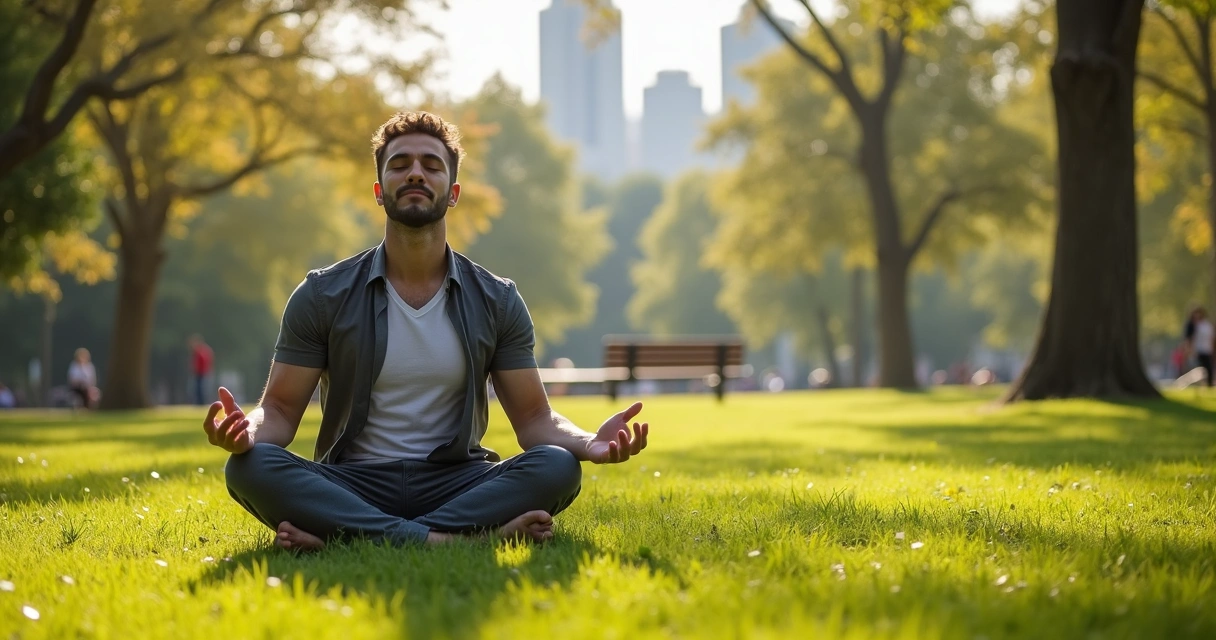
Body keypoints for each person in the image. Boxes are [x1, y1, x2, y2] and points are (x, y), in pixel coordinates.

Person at [206, 111, 650, 552]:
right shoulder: (323, 294)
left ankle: (350, 534)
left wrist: (588, 442)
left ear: (452, 193)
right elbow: (280, 410)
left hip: (457, 482)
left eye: (431, 165)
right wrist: (248, 432)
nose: (415, 173)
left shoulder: (497, 300)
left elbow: (535, 420)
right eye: (399, 164)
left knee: (557, 466)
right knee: (250, 466)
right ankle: (452, 540)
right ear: (380, 191)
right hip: (354, 481)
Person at [1189, 307, 1214, 387]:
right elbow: (1193, 338)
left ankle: (1208, 384)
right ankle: (1200, 384)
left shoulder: (1207, 325)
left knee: (1208, 368)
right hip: (1199, 350)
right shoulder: (1195, 325)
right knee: (1200, 368)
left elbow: (1211, 338)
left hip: (1207, 349)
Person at [188, 335, 214, 405]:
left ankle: (202, 403)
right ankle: (199, 403)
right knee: (198, 390)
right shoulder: (199, 351)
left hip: (202, 373)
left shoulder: (202, 351)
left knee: (202, 390)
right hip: (200, 373)